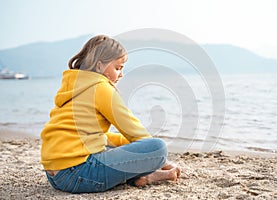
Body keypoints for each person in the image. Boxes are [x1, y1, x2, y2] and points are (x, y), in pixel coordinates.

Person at [40, 35, 181, 193]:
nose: (121, 74)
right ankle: (151, 173)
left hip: (55, 176)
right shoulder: (101, 88)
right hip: (78, 175)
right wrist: (160, 160)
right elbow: (135, 131)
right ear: (100, 66)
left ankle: (148, 177)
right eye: (118, 68)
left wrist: (127, 145)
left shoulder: (75, 86)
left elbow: (101, 137)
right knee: (157, 147)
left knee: (109, 149)